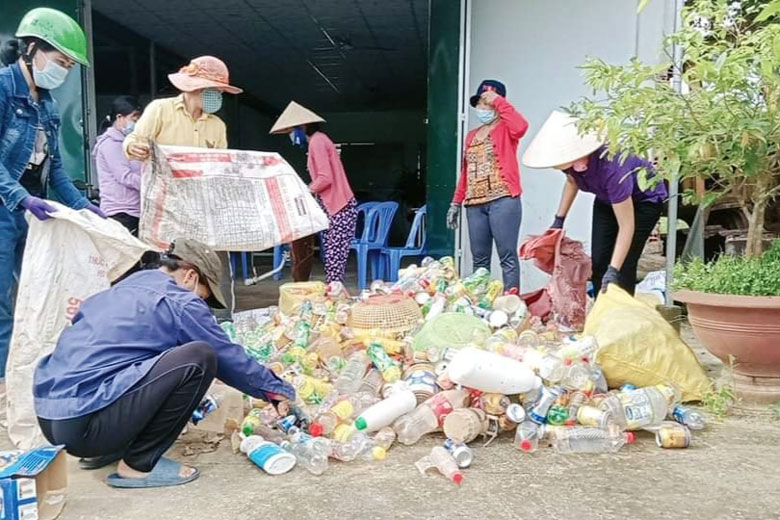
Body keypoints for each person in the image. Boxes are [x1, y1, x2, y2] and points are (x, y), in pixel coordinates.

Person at [33, 239, 295, 489]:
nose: (201, 303)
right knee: (200, 357)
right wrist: (275, 389)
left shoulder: (116, 291)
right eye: (204, 296)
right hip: (89, 424)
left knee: (146, 361)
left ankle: (112, 448)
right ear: (191, 276)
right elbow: (226, 356)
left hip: (52, 419)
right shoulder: (180, 299)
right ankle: (138, 465)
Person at [0, 8, 105, 390]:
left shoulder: (47, 106)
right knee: (1, 303)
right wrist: (20, 198)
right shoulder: (2, 89)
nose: (62, 71)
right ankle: (1, 383)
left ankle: (31, 371)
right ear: (31, 49)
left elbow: (56, 169)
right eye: (59, 61)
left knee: (38, 294)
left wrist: (83, 207)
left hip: (32, 210)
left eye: (68, 65)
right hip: (6, 207)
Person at [124, 55, 242, 317]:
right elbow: (134, 140)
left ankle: (219, 324)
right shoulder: (160, 110)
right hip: (167, 211)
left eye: (221, 92)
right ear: (195, 88)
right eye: (215, 91)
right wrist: (134, 147)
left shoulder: (217, 125)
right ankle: (162, 321)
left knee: (213, 268)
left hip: (205, 211)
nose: (218, 97)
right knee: (168, 268)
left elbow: (219, 167)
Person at [522, 110, 668, 296]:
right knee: (599, 262)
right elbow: (572, 182)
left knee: (623, 265)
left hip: (643, 202)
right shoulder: (573, 166)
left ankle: (621, 316)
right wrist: (559, 220)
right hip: (606, 199)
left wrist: (613, 270)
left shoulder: (613, 170)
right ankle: (602, 310)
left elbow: (626, 226)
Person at [446, 80, 529, 292]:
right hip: (475, 204)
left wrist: (499, 101)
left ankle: (512, 303)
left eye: (487, 103)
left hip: (503, 200)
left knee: (507, 256)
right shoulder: (472, 135)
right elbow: (467, 171)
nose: (483, 108)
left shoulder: (506, 129)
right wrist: (456, 202)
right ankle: (479, 304)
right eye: (481, 103)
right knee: (479, 260)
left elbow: (521, 126)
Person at [270, 101, 357, 284]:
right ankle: (335, 299)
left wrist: (305, 191)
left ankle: (335, 301)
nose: (291, 136)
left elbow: (325, 178)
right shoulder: (319, 141)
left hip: (339, 208)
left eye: (291, 131)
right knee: (334, 263)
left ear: (302, 126)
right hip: (335, 207)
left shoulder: (317, 141)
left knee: (334, 264)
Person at [94, 96, 143, 234]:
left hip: (135, 211)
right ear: (120, 117)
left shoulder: (130, 142)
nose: (137, 123)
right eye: (134, 118)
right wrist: (153, 185)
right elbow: (125, 177)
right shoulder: (110, 144)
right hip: (121, 213)